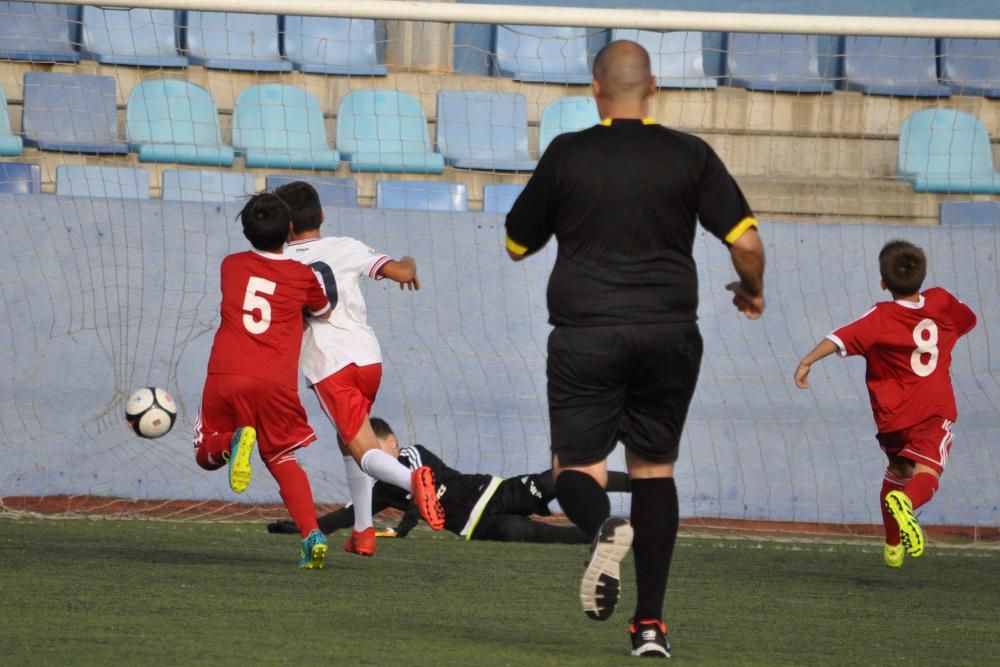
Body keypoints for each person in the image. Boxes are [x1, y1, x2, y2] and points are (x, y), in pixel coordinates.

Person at [504, 40, 766, 658]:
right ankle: (650, 627)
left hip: (586, 334)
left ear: (594, 90)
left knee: (576, 469)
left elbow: (517, 243)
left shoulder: (568, 153)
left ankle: (602, 528)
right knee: (655, 471)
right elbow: (748, 244)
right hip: (669, 334)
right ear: (653, 88)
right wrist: (752, 292)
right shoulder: (689, 154)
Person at [274, 181, 445, 560]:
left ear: (285, 226)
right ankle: (363, 531)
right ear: (322, 216)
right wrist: (410, 263)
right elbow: (401, 272)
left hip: (328, 363)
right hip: (367, 359)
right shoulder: (347, 246)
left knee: (363, 449)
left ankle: (412, 480)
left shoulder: (280, 262)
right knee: (348, 442)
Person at [795, 240, 976, 568]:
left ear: (883, 282)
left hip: (891, 419)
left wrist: (807, 361)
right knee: (928, 471)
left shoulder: (879, 318)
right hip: (933, 410)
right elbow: (967, 319)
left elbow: (838, 338)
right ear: (922, 275)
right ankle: (906, 504)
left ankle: (893, 546)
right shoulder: (942, 300)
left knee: (898, 469)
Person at [193, 193, 334, 570]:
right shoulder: (302, 275)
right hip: (275, 382)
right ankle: (312, 534)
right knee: (281, 456)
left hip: (228, 373)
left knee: (205, 450)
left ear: (245, 230)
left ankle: (230, 442)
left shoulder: (231, 265)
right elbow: (322, 308)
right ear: (291, 229)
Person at [267, 417, 633, 543]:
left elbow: (419, 486)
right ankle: (598, 536)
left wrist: (408, 523)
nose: (367, 458)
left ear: (391, 442)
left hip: (493, 493)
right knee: (515, 534)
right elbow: (345, 517)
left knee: (555, 481)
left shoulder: (412, 455)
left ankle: (637, 484)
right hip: (474, 526)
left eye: (371, 448)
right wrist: (301, 527)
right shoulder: (377, 489)